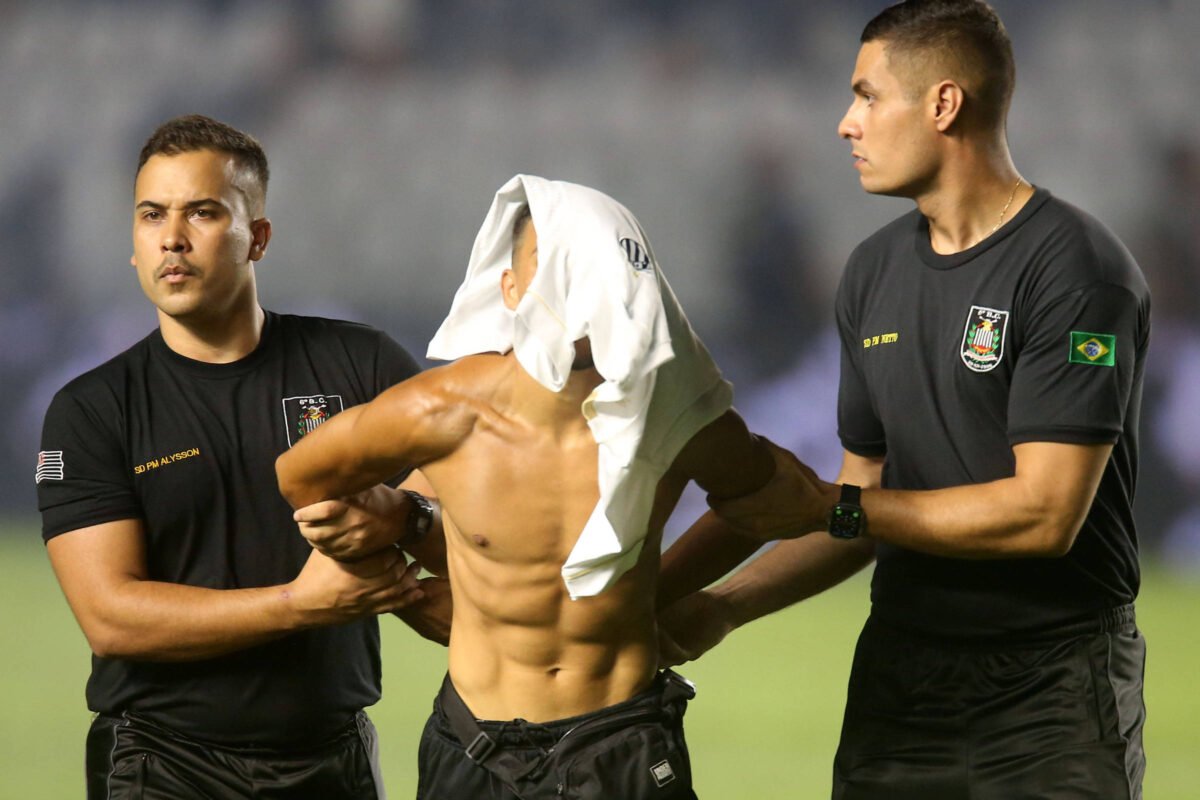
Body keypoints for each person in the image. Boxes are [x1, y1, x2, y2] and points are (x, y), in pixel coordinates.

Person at [659, 2, 1152, 798]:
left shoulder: (1077, 271)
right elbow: (867, 497)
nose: (846, 123)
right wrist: (724, 607)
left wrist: (829, 506)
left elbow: (1045, 514)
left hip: (1050, 692)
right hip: (901, 681)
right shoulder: (872, 272)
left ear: (943, 104)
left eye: (866, 95)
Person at [276, 174, 830, 799]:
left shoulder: (680, 415)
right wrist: (395, 572)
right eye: (553, 264)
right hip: (472, 746)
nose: (577, 284)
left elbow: (769, 503)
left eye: (589, 265)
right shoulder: (444, 412)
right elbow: (301, 475)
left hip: (623, 737)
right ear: (508, 289)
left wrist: (656, 592)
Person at [36, 114, 448, 800]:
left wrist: (409, 515)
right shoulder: (91, 409)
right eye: (150, 216)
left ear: (256, 237)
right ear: (133, 245)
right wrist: (299, 604)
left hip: (332, 758)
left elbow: (472, 522)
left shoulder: (361, 364)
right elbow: (110, 616)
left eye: (201, 212)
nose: (171, 237)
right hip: (159, 763)